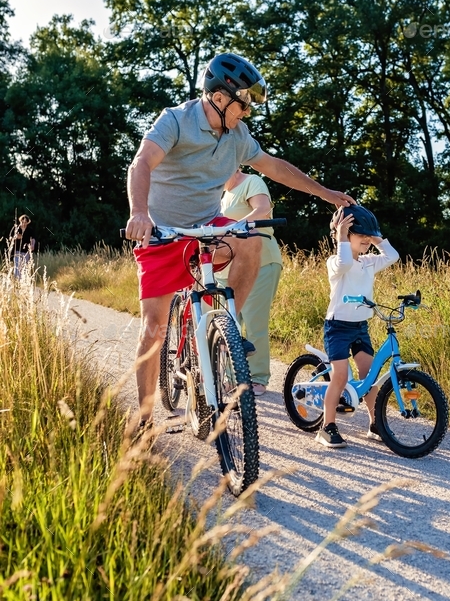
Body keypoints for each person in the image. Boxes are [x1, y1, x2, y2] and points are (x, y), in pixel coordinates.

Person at [125, 52, 354, 426]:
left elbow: (275, 167)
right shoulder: (175, 120)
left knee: (251, 239)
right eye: (243, 103)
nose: (246, 112)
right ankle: (145, 421)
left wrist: (325, 193)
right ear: (219, 98)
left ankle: (224, 330)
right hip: (163, 231)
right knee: (153, 329)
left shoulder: (237, 135)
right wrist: (139, 213)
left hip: (205, 227)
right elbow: (142, 163)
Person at [317, 205, 399, 449]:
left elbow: (392, 256)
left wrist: (375, 237)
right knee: (340, 377)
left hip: (359, 327)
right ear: (343, 235)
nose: (365, 240)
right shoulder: (335, 262)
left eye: (367, 236)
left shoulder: (368, 262)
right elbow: (343, 262)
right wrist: (341, 236)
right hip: (338, 328)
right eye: (359, 235)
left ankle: (376, 424)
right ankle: (327, 426)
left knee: (369, 376)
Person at [217, 168, 282, 395]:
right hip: (234, 266)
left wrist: (234, 227)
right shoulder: (223, 195)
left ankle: (257, 379)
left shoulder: (251, 181)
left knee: (254, 322)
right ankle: (230, 377)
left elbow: (263, 209)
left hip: (263, 261)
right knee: (228, 324)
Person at [11, 215, 36, 279]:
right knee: (17, 268)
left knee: (24, 268)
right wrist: (16, 237)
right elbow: (10, 237)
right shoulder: (16, 228)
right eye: (22, 222)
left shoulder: (30, 230)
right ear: (20, 221)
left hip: (26, 252)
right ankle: (17, 283)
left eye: (25, 222)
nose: (23, 224)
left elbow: (33, 239)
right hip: (17, 251)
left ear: (28, 223)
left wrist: (32, 245)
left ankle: (23, 284)